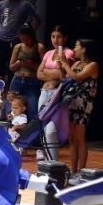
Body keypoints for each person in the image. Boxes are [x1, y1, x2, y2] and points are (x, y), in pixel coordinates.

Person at [36, 25, 73, 163]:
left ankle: (54, 164)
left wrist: (47, 72)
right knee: (44, 128)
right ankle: (47, 163)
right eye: (53, 36)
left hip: (56, 93)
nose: (55, 39)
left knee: (52, 130)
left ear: (65, 38)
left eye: (59, 36)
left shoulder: (68, 53)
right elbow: (38, 74)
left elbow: (62, 75)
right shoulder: (48, 54)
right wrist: (52, 74)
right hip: (44, 92)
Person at [66, 39, 100, 174]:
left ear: (84, 49)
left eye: (76, 46)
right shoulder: (76, 63)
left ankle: (82, 171)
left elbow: (77, 77)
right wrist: (62, 67)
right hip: (72, 102)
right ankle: (73, 170)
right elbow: (66, 78)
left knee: (80, 138)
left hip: (83, 103)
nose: (74, 48)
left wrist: (65, 64)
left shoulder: (93, 65)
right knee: (72, 138)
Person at [8, 26, 41, 119]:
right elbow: (11, 67)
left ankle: (31, 132)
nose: (25, 42)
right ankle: (12, 130)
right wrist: (19, 63)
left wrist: (32, 64)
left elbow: (43, 67)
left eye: (27, 39)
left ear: (32, 36)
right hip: (18, 80)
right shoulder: (18, 47)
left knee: (32, 109)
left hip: (32, 80)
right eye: (22, 39)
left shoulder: (39, 47)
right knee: (13, 109)